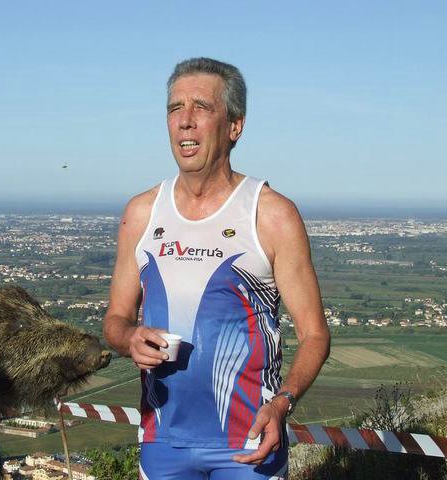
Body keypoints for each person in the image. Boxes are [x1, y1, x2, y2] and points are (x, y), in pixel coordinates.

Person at [103, 57, 330, 480]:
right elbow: (115, 320)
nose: (185, 120)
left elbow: (315, 334)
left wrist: (282, 403)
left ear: (235, 126)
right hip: (162, 439)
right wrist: (129, 338)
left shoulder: (271, 214)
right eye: (175, 108)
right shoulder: (141, 213)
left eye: (202, 107)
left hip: (250, 441)